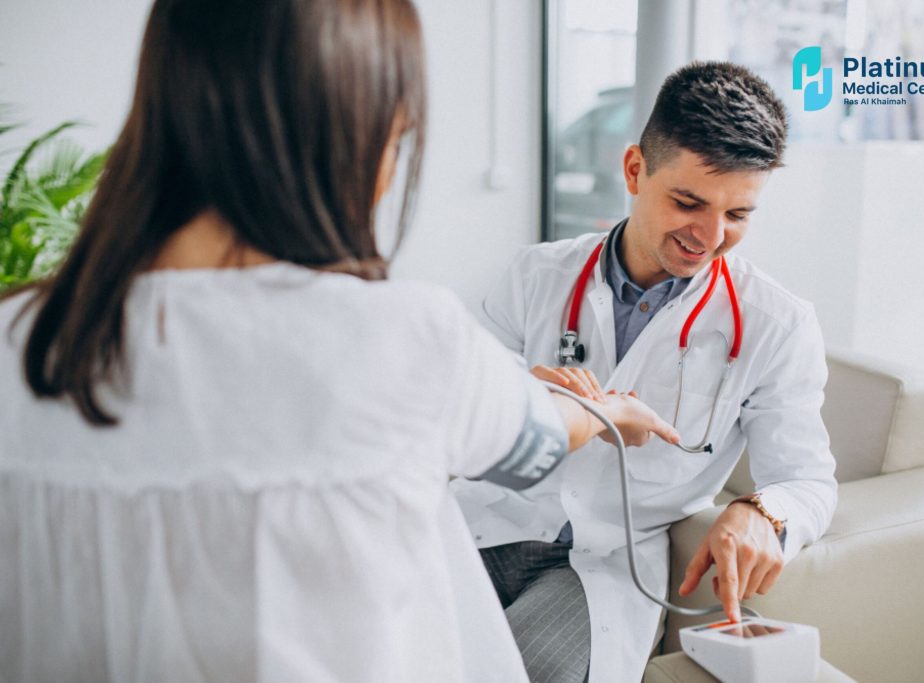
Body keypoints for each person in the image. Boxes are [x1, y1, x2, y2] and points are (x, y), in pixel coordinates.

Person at [0, 1, 681, 681]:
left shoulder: (19, 339)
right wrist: (610, 411)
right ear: (355, 137)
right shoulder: (400, 336)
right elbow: (535, 440)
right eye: (397, 138)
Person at [450, 62, 839, 683]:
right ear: (635, 170)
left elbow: (809, 481)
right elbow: (460, 414)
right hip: (482, 525)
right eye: (688, 202)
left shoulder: (777, 324)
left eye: (738, 215)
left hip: (599, 563)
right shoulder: (536, 275)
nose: (710, 236)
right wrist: (540, 404)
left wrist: (764, 511)